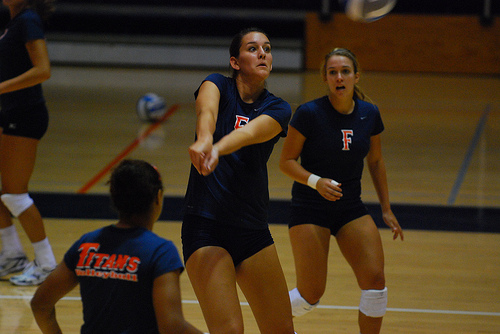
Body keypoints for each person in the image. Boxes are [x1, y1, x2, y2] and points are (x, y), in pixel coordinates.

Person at [279, 48, 404, 334]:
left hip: (350, 207)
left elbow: (375, 161)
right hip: (310, 207)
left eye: (345, 71)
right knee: (310, 295)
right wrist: (316, 181)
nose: (339, 77)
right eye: (332, 72)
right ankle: (271, 319)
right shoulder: (309, 113)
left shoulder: (369, 114)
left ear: (356, 76)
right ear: (325, 78)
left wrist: (386, 208)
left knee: (375, 283)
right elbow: (286, 162)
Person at [182, 28, 296, 334]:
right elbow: (206, 111)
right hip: (206, 226)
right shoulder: (216, 83)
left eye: (267, 49)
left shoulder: (278, 109)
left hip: (252, 228)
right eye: (253, 48)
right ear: (235, 61)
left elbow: (250, 133)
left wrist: (217, 148)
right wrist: (205, 138)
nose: (262, 53)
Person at [31, 159, 205, 334]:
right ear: (158, 197)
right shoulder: (160, 252)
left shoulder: (86, 245)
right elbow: (172, 327)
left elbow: (40, 304)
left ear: (114, 197)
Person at [0, 0, 57, 285]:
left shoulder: (28, 20)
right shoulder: (14, 22)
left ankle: (46, 264)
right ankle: (11, 255)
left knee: (14, 194)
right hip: (10, 112)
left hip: (25, 115)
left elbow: (42, 70)